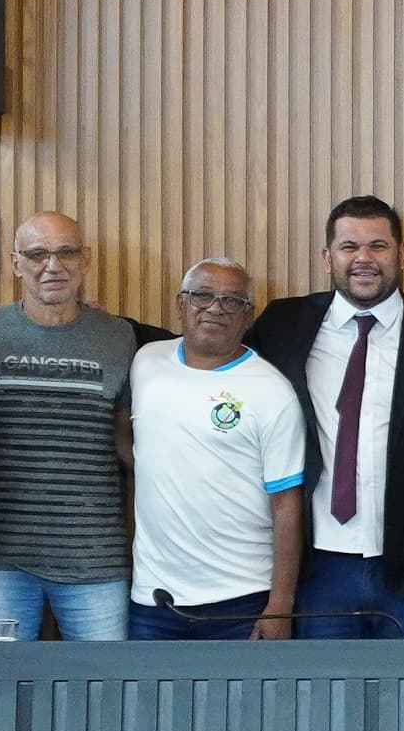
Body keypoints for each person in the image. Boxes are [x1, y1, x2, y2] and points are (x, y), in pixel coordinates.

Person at [250, 196, 404, 640]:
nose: (363, 258)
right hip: (317, 568)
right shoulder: (283, 324)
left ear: (401, 255)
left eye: (377, 246)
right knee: (325, 687)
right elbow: (217, 361)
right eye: (349, 246)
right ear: (327, 256)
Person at [0, 211, 151, 641]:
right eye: (37, 254)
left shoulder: (118, 336)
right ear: (15, 263)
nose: (53, 266)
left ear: (86, 259)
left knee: (105, 680)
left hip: (95, 555)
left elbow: (126, 440)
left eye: (66, 253)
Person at [127, 257, 305, 641]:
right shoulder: (146, 362)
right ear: (181, 304)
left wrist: (280, 605)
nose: (215, 308)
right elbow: (126, 432)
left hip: (242, 600)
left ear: (248, 316)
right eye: (202, 295)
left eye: (232, 300)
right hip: (154, 599)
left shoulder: (272, 391)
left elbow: (287, 505)